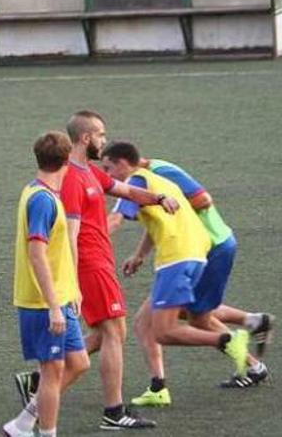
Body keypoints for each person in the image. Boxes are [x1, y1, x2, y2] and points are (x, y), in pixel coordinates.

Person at [14, 111, 174, 430]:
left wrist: (158, 197)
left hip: (100, 260)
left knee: (102, 336)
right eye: (101, 134)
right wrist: (72, 283)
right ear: (85, 138)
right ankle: (113, 411)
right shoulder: (71, 178)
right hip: (88, 263)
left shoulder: (89, 172)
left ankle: (35, 388)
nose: (105, 140)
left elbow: (125, 191)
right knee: (115, 331)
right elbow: (69, 235)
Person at [103, 146, 272, 404]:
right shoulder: (157, 181)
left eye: (108, 168)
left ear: (125, 162)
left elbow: (203, 199)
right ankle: (159, 386)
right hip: (196, 250)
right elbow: (161, 217)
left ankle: (234, 338)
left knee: (187, 321)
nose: (108, 176)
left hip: (200, 249)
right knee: (149, 321)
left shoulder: (145, 177)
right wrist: (139, 254)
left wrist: (79, 241)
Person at [1, 131, 90, 437]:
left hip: (60, 297)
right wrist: (54, 306)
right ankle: (46, 433)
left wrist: (72, 289)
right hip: (42, 303)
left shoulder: (38, 190)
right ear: (67, 160)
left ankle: (23, 423)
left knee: (78, 363)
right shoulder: (42, 200)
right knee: (52, 373)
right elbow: (37, 254)